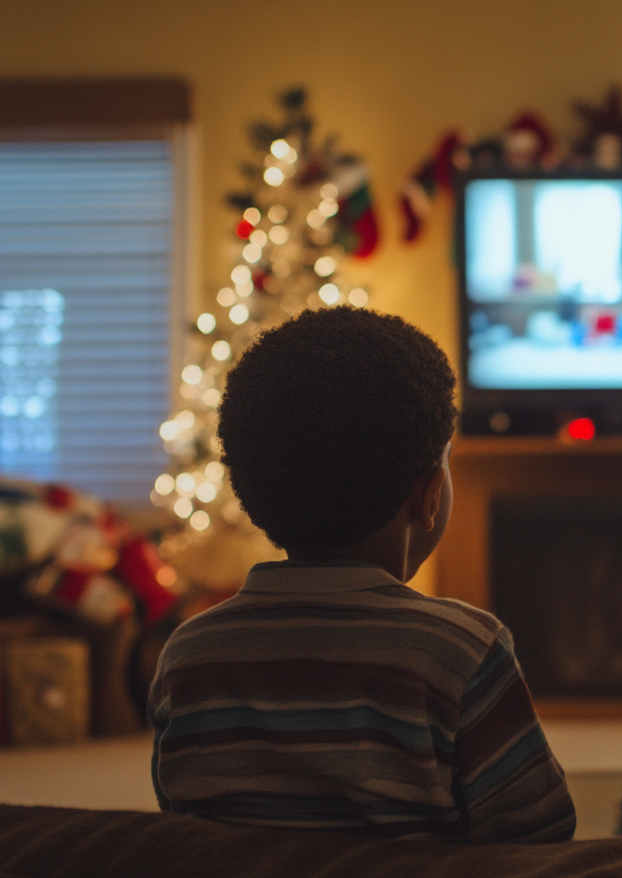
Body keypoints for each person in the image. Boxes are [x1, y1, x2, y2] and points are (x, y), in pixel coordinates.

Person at [149, 307, 576, 843]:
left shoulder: (188, 655)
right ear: (429, 496)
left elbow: (178, 817)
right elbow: (539, 834)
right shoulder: (463, 651)